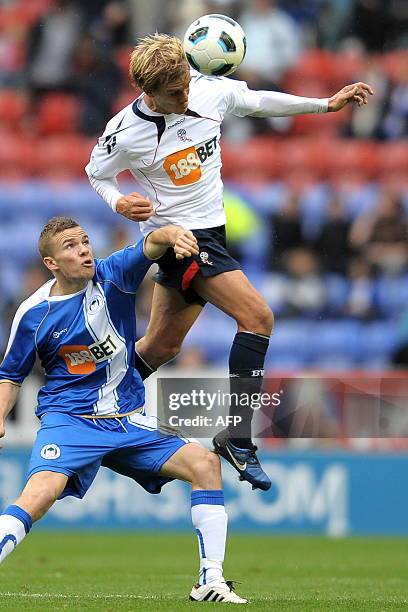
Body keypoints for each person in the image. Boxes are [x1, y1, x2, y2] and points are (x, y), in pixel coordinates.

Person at [85, 33, 374, 490]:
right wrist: (119, 203)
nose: (185, 94)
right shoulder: (125, 131)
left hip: (212, 235)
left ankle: (90, 400)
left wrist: (325, 104)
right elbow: (95, 172)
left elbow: (256, 101)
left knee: (160, 347)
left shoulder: (205, 89)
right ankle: (239, 437)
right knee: (258, 317)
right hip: (181, 240)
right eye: (175, 92)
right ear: (148, 92)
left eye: (185, 83)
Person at [0, 216, 249, 604]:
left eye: (85, 241)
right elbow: (9, 375)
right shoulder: (35, 313)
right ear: (51, 263)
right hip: (71, 421)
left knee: (206, 464)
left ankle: (210, 581)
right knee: (40, 493)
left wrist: (173, 234)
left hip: (126, 417)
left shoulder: (114, 274)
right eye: (70, 246)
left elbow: (150, 245)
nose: (83, 250)